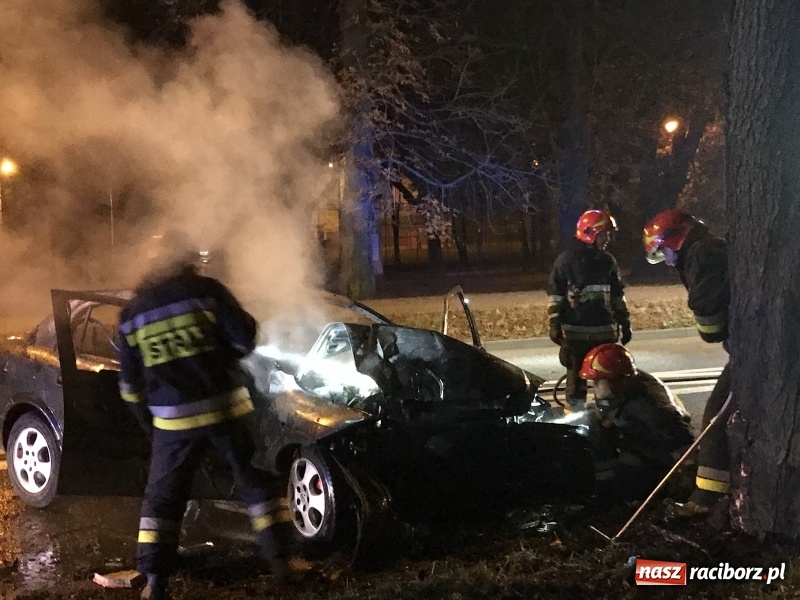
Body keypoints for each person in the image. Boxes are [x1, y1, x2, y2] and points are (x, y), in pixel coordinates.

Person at [116, 231, 294, 600]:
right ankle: (284, 565)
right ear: (185, 259)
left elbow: (130, 387)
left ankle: (154, 582)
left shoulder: (133, 314)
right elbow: (245, 339)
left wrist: (151, 425)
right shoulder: (208, 291)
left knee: (162, 501)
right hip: (225, 409)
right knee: (257, 483)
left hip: (171, 423)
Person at [643, 208, 731, 516]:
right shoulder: (708, 249)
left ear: (675, 241)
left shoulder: (702, 256)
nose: (666, 261)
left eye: (664, 251)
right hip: (750, 351)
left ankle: (706, 502)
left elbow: (711, 328)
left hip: (750, 354)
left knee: (714, 421)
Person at [579, 343, 695, 500]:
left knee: (622, 481)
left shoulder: (651, 407)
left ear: (616, 381)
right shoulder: (626, 383)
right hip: (638, 438)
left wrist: (684, 484)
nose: (595, 388)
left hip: (656, 453)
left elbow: (685, 448)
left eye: (599, 382)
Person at [547, 209, 632, 411]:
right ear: (589, 233)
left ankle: (607, 422)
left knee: (607, 384)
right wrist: (554, 323)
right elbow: (556, 296)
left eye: (609, 234)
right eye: (604, 234)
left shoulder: (607, 261)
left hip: (603, 334)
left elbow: (617, 295)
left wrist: (625, 321)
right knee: (576, 388)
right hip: (577, 336)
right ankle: (575, 428)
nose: (608, 239)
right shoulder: (566, 262)